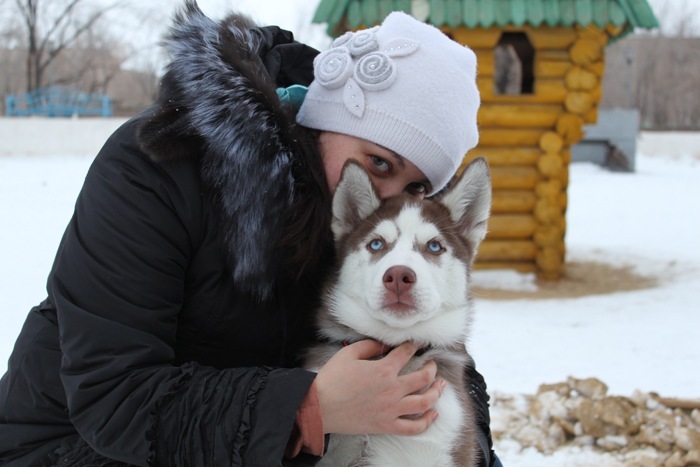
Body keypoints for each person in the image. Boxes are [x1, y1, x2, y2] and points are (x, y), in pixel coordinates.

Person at [0, 2, 501, 465]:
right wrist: (308, 407)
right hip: (70, 447)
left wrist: (462, 444)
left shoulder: (358, 219)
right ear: (330, 118)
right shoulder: (156, 169)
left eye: (414, 187)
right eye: (379, 163)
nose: (386, 195)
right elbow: (114, 396)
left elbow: (433, 346)